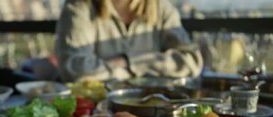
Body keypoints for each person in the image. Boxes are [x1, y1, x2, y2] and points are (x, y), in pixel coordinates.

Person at [55, 0, 203, 82]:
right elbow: (75, 71)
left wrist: (128, 62)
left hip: (154, 109)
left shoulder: (161, 8)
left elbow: (192, 62)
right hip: (95, 112)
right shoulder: (79, 7)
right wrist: (154, 65)